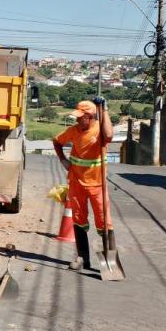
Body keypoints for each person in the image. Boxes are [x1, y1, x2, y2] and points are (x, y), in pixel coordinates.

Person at [52, 98, 114, 271]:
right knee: (79, 220)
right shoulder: (73, 131)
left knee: (104, 222)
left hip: (97, 184)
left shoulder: (99, 130)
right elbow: (57, 141)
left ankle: (109, 261)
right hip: (76, 182)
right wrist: (63, 160)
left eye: (81, 117)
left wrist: (105, 109)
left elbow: (109, 135)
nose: (78, 120)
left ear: (90, 116)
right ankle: (82, 257)